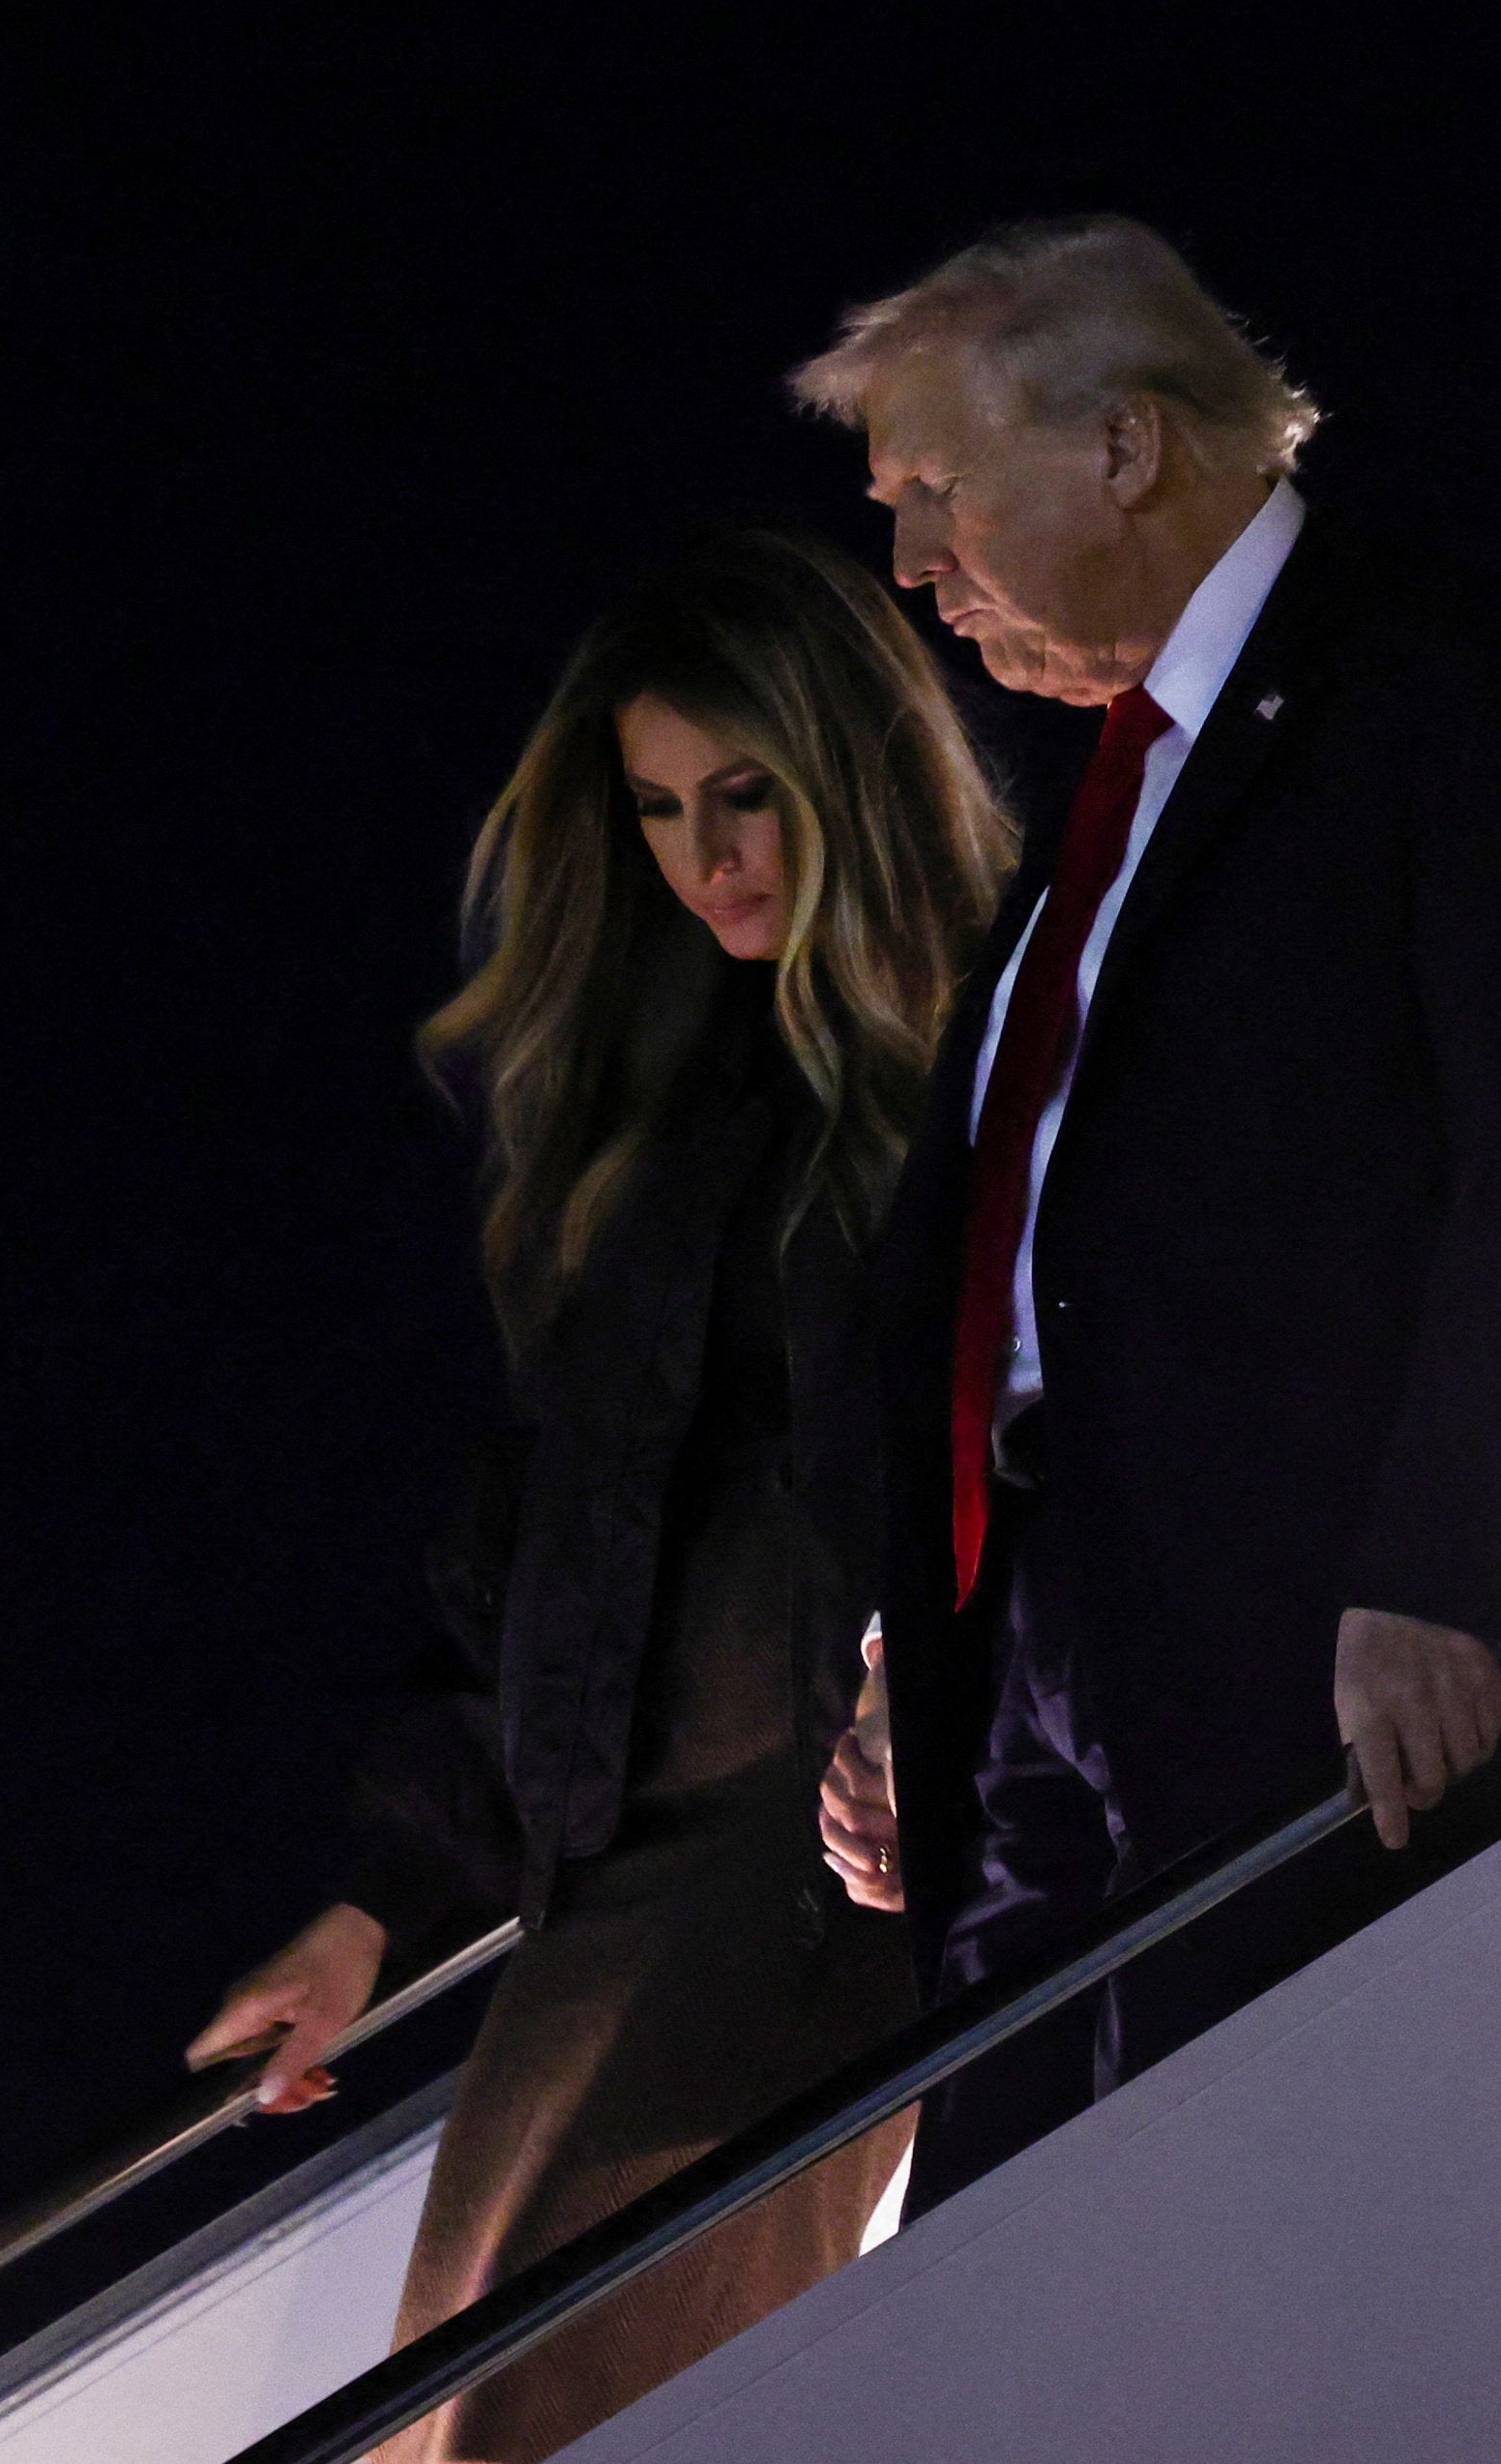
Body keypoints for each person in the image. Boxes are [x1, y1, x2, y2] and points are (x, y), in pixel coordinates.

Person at [787, 215, 1501, 2204]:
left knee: (1273, 2257)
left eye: (931, 492)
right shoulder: (1107, 802)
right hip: (1049, 1683)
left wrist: (1455, 1564)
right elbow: (1021, 1254)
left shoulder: (1445, 676)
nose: (908, 568)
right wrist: (906, 1644)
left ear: (1121, 449)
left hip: (1322, 1645)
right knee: (1004, 2279)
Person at [187, 531, 1015, 2461]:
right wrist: (375, 1904)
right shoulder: (665, 1127)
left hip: (826, 1864)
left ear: (845, 776)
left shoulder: (986, 1055)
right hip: (614, 1860)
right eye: (653, 809)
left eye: (743, 795)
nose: (702, 855)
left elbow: (1072, 1439)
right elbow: (544, 1559)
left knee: (545, 2423)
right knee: (438, 2426)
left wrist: (934, 1689)